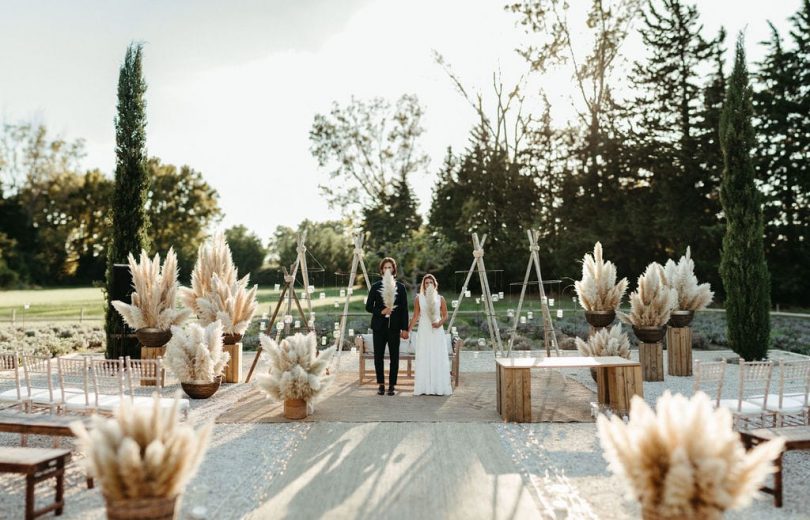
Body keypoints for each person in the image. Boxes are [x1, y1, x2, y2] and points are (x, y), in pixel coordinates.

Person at [365, 257, 409, 396]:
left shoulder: (400, 288)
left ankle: (391, 386)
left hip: (394, 328)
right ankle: (381, 385)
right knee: (378, 357)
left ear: (394, 270)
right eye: (385, 267)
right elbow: (368, 307)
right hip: (378, 328)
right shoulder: (376, 286)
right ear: (382, 270)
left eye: (390, 267)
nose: (387, 269)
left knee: (394, 357)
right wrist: (381, 311)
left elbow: (404, 310)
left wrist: (404, 329)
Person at [409, 274, 452, 396]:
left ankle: (438, 387)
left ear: (434, 284)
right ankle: (424, 387)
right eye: (426, 283)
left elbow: (445, 315)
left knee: (437, 356)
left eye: (430, 282)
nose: (428, 285)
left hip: (437, 331)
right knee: (424, 355)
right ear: (423, 285)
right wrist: (409, 329)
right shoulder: (419, 298)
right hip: (424, 330)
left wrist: (439, 323)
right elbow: (416, 315)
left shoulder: (440, 298)